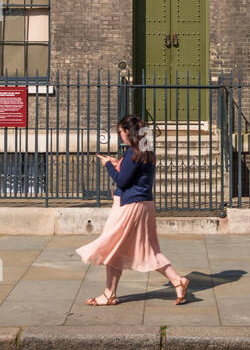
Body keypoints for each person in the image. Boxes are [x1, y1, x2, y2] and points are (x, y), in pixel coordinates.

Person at [76, 113, 189, 307]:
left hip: (130, 205)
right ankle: (177, 281)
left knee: (111, 247)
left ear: (128, 132)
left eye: (120, 132)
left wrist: (108, 166)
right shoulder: (146, 150)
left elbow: (122, 180)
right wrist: (116, 163)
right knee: (146, 250)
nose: (120, 135)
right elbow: (132, 174)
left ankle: (108, 295)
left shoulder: (133, 153)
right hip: (144, 204)